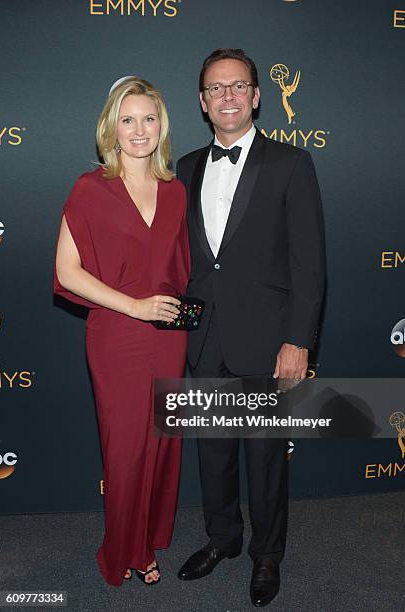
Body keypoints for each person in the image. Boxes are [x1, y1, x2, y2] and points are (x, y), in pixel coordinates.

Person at [176, 49, 326, 607]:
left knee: (265, 458)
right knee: (212, 452)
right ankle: (223, 540)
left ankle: (267, 555)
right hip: (204, 337)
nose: (228, 97)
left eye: (239, 86)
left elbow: (310, 265)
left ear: (257, 96)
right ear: (202, 102)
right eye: (216, 88)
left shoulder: (291, 164)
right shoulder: (187, 167)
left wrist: (299, 341)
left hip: (269, 342)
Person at [54, 77, 190, 587]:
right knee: (126, 448)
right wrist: (133, 305)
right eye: (127, 119)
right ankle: (123, 550)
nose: (139, 129)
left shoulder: (176, 192)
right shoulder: (91, 188)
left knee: (162, 440)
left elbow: (182, 270)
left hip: (168, 337)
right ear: (111, 127)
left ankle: (149, 537)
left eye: (148, 118)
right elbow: (68, 271)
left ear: (162, 126)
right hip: (117, 335)